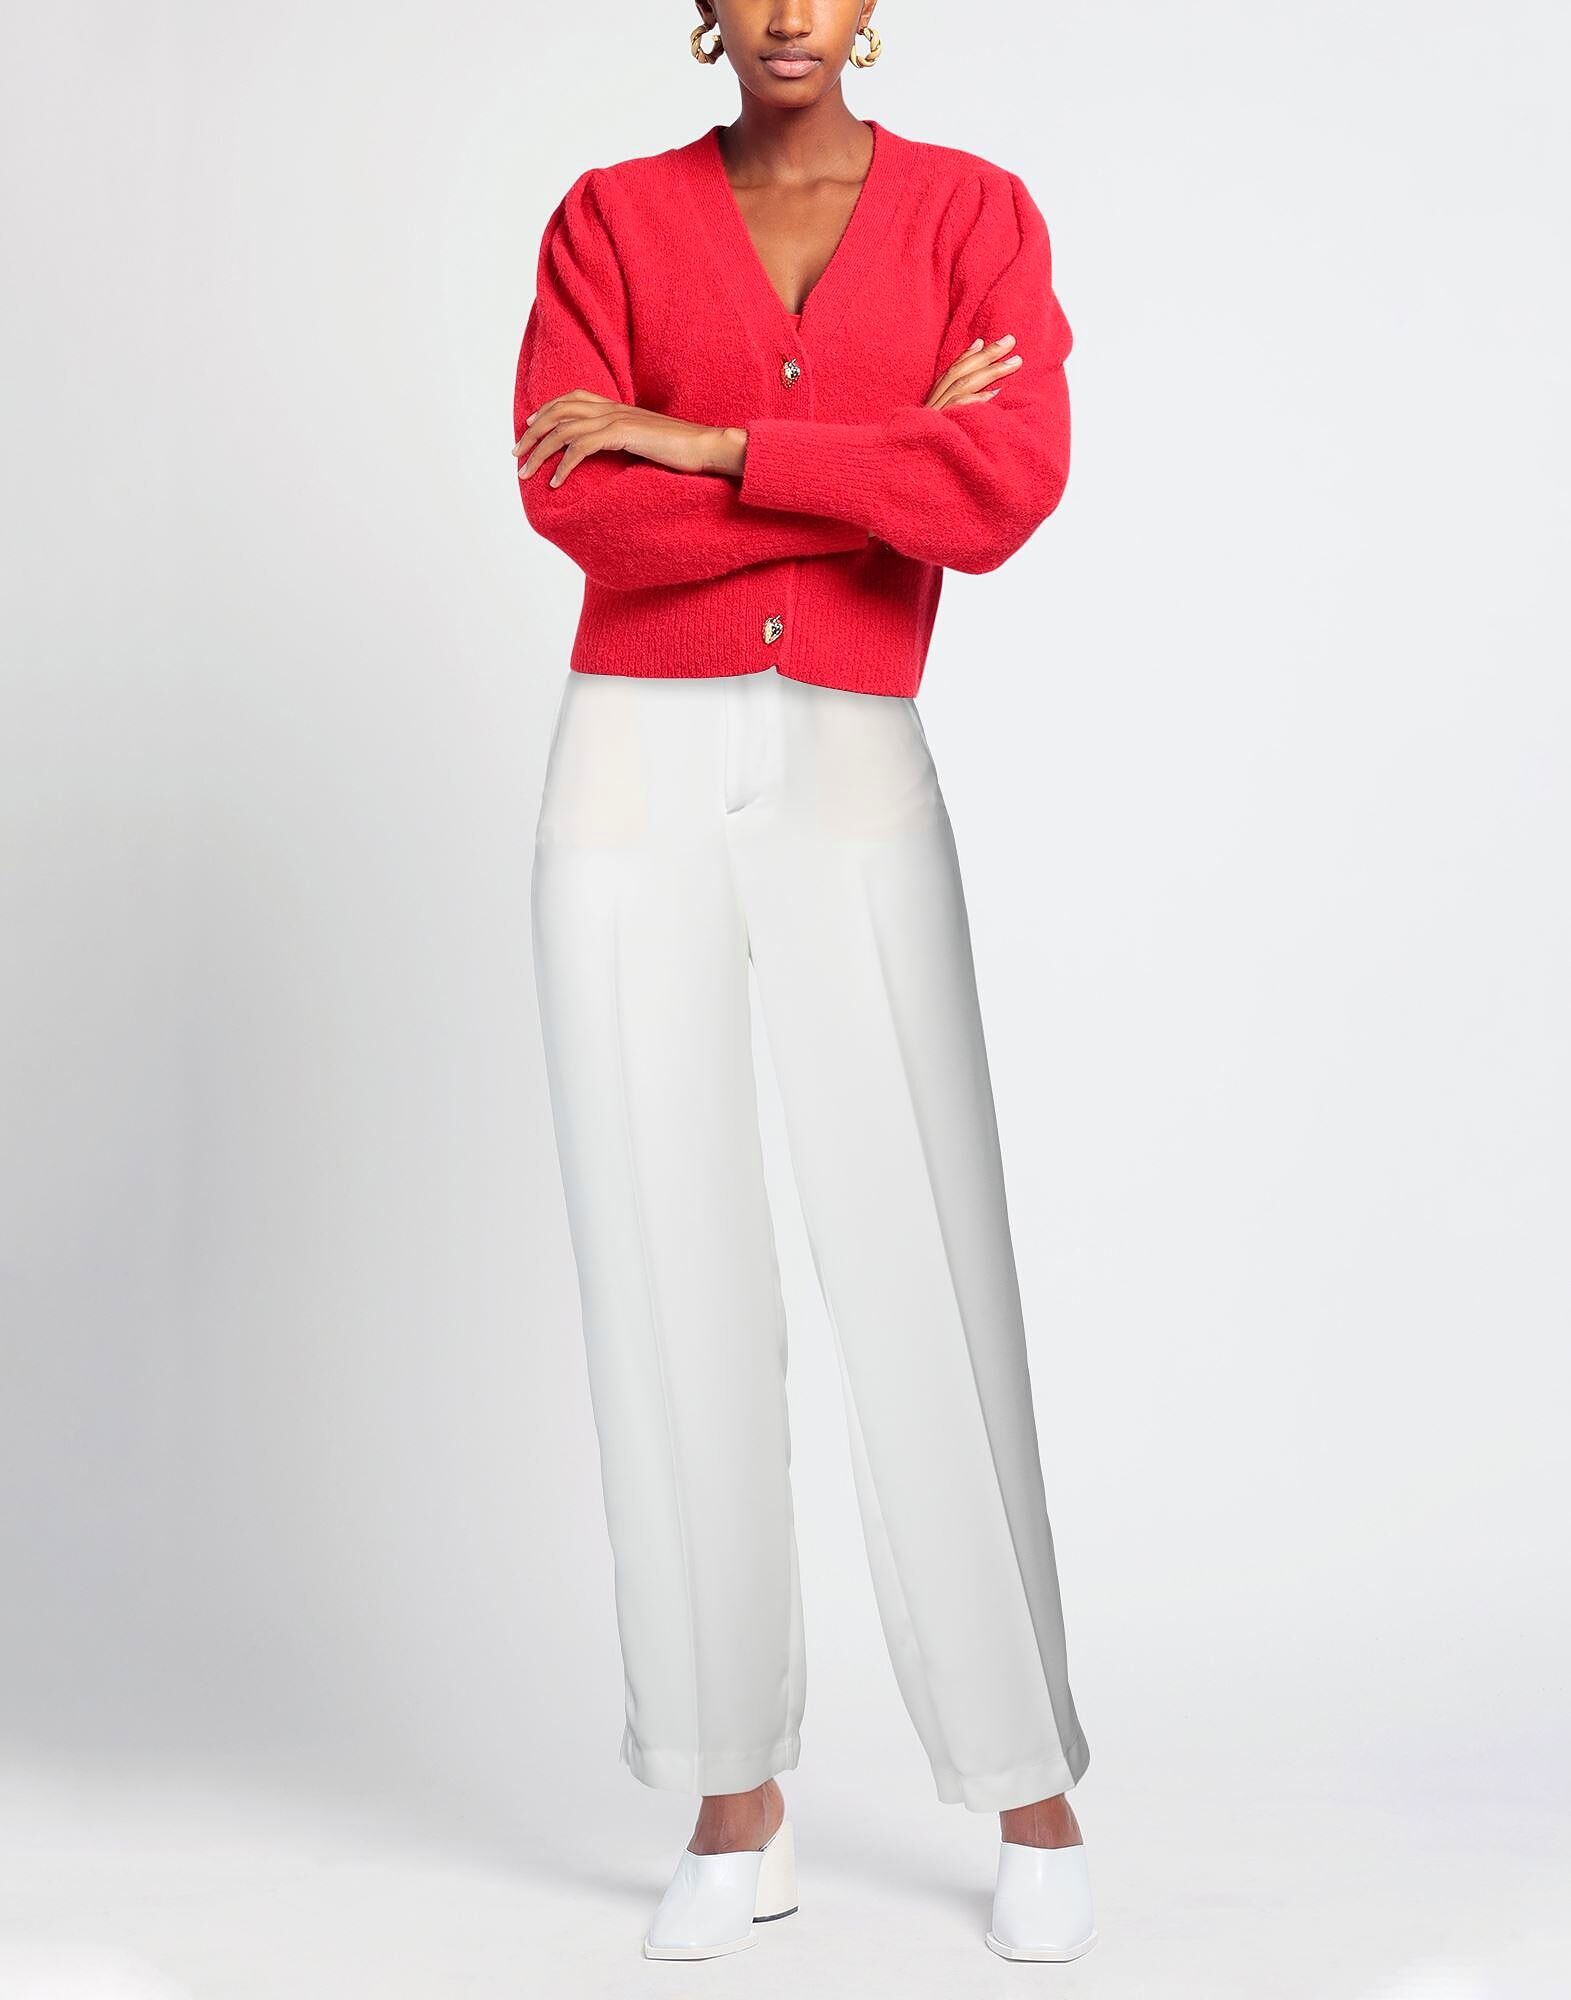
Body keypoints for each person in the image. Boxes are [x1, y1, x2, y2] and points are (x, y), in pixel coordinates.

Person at [511, 0, 1094, 1964]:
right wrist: (875, 458)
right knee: (665, 1257)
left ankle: (1028, 1782)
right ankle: (728, 1794)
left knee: (924, 1248)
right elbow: (573, 501)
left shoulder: (971, 215)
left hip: (850, 755)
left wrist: (707, 437)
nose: (785, 12)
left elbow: (1000, 486)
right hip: (627, 763)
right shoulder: (607, 220)